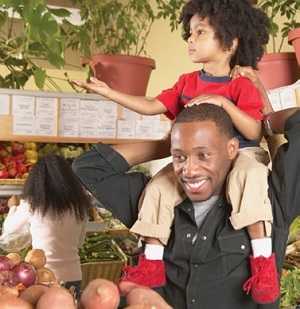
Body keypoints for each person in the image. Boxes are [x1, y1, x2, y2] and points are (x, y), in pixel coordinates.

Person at [73, 0, 276, 303]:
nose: (190, 39)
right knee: (158, 188)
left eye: (200, 32)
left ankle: (262, 261)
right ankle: (152, 260)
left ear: (230, 42)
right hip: (195, 160)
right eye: (189, 33)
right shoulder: (186, 83)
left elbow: (254, 132)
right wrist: (109, 93)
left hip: (242, 155)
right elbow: (152, 105)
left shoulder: (240, 84)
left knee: (251, 177)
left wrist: (223, 104)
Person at [73, 104, 300, 308]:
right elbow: (89, 168)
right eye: (180, 157)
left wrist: (266, 124)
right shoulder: (152, 200)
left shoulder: (269, 196)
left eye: (203, 155)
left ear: (231, 149)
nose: (189, 170)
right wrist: (167, 145)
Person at [0, 155, 91, 298]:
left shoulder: (33, 204)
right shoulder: (78, 206)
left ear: (36, 180)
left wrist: (12, 208)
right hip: (74, 274)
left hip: (44, 276)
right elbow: (79, 242)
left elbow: (9, 232)